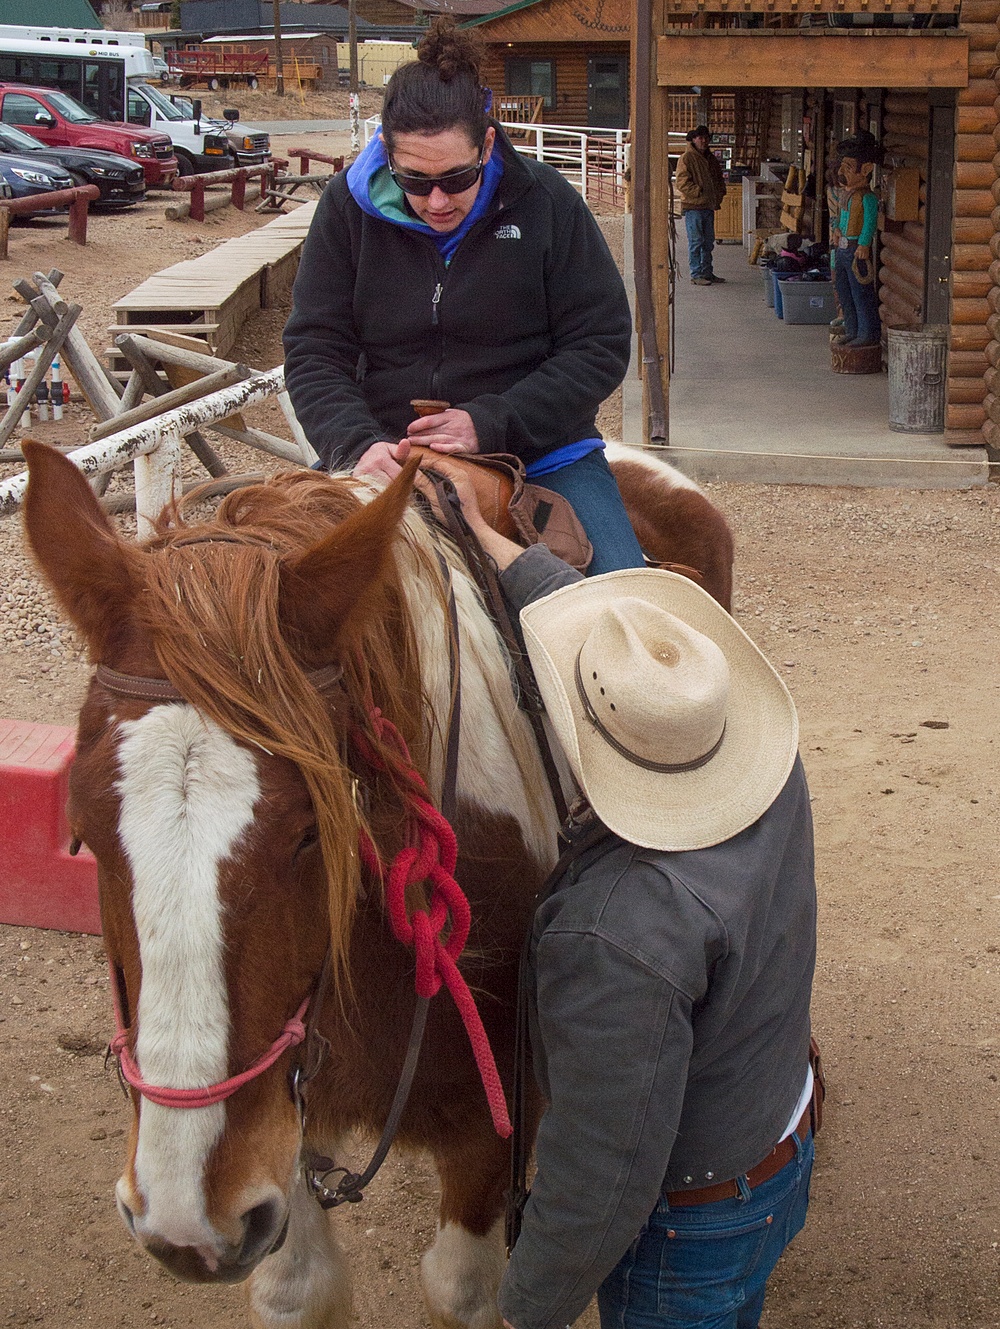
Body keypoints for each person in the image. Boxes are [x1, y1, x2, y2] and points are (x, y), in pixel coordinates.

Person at [415, 461, 818, 1329]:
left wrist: (527, 1309)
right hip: (778, 1138)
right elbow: (610, 633)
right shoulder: (760, 756)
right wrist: (485, 535)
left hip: (689, 1229)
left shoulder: (612, 933)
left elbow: (603, 1170)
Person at [282, 17, 644, 576]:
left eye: (456, 178)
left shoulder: (548, 203)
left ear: (488, 142)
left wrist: (491, 421)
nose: (436, 201)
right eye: (413, 181)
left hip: (542, 454)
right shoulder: (344, 210)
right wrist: (354, 446)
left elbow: (599, 344)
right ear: (385, 150)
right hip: (382, 453)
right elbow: (314, 347)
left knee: (618, 607)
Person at [830, 133, 882, 348]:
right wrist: (835, 230)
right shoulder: (846, 195)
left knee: (860, 293)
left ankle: (866, 333)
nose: (842, 173)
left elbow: (870, 222)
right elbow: (840, 217)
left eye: (849, 167)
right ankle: (852, 329)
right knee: (845, 292)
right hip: (841, 249)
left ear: (866, 169)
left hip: (855, 249)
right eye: (843, 166)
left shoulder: (867, 197)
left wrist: (864, 243)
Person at [674, 125, 727, 287]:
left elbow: (718, 178)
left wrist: (719, 192)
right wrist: (699, 191)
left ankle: (707, 272)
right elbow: (682, 182)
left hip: (708, 205)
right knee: (696, 241)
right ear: (693, 139)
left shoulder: (710, 158)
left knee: (708, 242)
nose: (703, 141)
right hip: (694, 206)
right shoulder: (687, 158)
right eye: (700, 138)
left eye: (705, 137)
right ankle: (696, 273)